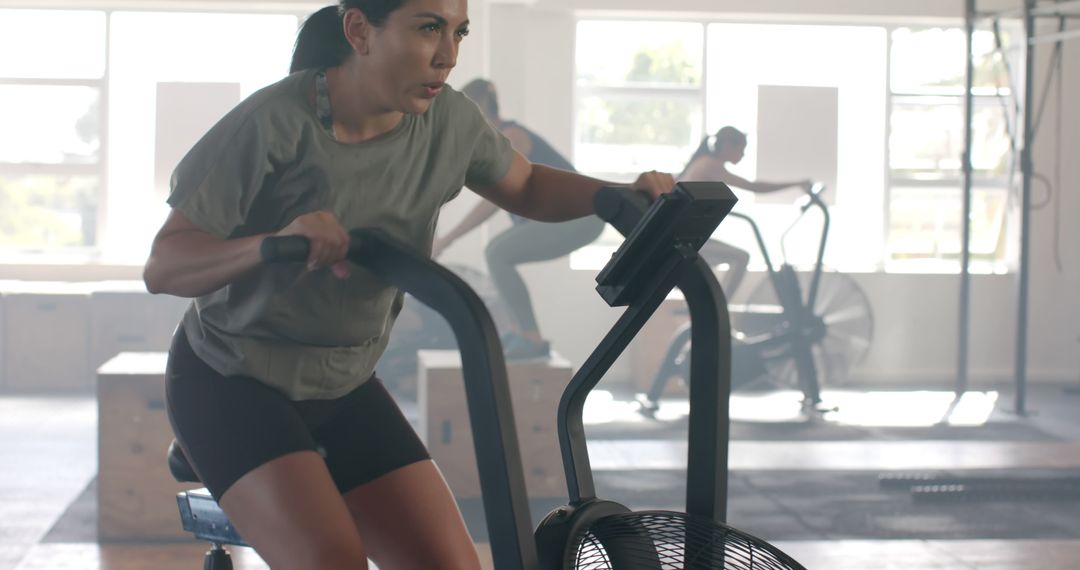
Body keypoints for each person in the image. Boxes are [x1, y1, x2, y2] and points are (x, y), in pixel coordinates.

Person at [142, 1, 674, 569]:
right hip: (232, 377)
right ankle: (204, 448)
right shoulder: (273, 123)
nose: (448, 55)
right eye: (427, 28)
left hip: (343, 380)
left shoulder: (450, 119)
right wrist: (274, 242)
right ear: (358, 31)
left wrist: (616, 196)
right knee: (334, 561)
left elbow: (525, 184)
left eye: (458, 32)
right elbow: (165, 265)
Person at [432, 78, 605, 360]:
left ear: (481, 107)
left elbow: (495, 198)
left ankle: (531, 337)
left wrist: (447, 240)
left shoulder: (511, 137)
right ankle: (519, 331)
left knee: (497, 252)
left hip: (583, 216)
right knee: (500, 255)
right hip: (573, 217)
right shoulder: (492, 141)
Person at [678, 126, 812, 298]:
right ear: (727, 146)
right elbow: (753, 187)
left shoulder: (703, 161)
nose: (743, 155)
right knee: (741, 258)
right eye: (741, 149)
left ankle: (714, 303)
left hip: (689, 234)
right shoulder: (711, 164)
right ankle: (719, 306)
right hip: (686, 238)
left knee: (734, 258)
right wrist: (796, 183)